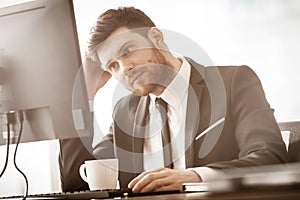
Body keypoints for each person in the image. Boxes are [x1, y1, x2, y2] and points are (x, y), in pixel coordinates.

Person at [59, 6, 288, 193]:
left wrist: (195, 177)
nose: (124, 69)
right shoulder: (125, 111)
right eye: (112, 66)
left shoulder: (233, 82)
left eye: (127, 51)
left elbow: (270, 157)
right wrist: (83, 96)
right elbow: (77, 184)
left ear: (156, 37)